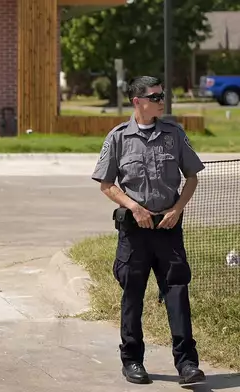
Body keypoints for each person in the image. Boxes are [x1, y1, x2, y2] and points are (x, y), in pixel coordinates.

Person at [91, 76, 207, 385]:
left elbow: (192, 176)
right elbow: (106, 184)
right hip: (135, 232)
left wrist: (177, 209)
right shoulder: (118, 138)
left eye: (162, 95)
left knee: (177, 294)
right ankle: (132, 361)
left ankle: (187, 364)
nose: (161, 100)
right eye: (155, 96)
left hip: (168, 228)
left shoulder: (174, 134)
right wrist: (134, 207)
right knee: (133, 295)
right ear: (137, 102)